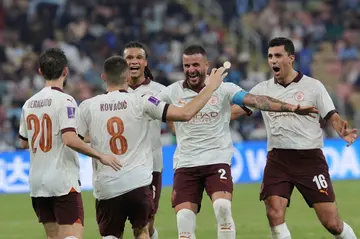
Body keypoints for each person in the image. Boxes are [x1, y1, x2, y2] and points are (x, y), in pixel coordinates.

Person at [156, 44, 319, 239]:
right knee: (183, 220)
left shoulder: (225, 89)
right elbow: (151, 107)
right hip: (185, 163)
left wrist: (290, 107)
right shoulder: (172, 92)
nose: (191, 70)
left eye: (195, 65)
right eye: (186, 65)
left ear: (206, 65)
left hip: (217, 160)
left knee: (222, 206)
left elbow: (257, 101)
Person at [77, 55, 229, 239]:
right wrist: (211, 87)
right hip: (138, 183)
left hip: (107, 186)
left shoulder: (88, 106)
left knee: (110, 235)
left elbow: (73, 139)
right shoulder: (143, 101)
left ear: (103, 77)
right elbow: (185, 113)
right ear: (127, 77)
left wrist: (99, 153)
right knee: (142, 231)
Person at [237, 37, 358, 239]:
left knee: (332, 224)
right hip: (278, 159)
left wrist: (342, 131)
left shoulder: (313, 86)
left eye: (278, 55)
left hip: (309, 160)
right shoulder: (262, 90)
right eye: (270, 56)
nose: (273, 60)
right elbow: (234, 111)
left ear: (291, 58)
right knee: (274, 213)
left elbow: (332, 116)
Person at [18, 48, 120, 239]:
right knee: (72, 235)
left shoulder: (29, 104)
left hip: (38, 182)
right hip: (62, 179)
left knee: (53, 237)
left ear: (40, 71)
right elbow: (69, 139)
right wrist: (101, 155)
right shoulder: (65, 101)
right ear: (66, 71)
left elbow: (23, 143)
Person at [123, 41, 165, 239]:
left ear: (145, 62)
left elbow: (175, 119)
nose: (134, 61)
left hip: (151, 164)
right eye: (129, 58)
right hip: (123, 166)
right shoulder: (114, 93)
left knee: (146, 223)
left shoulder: (160, 91)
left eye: (138, 57)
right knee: (129, 224)